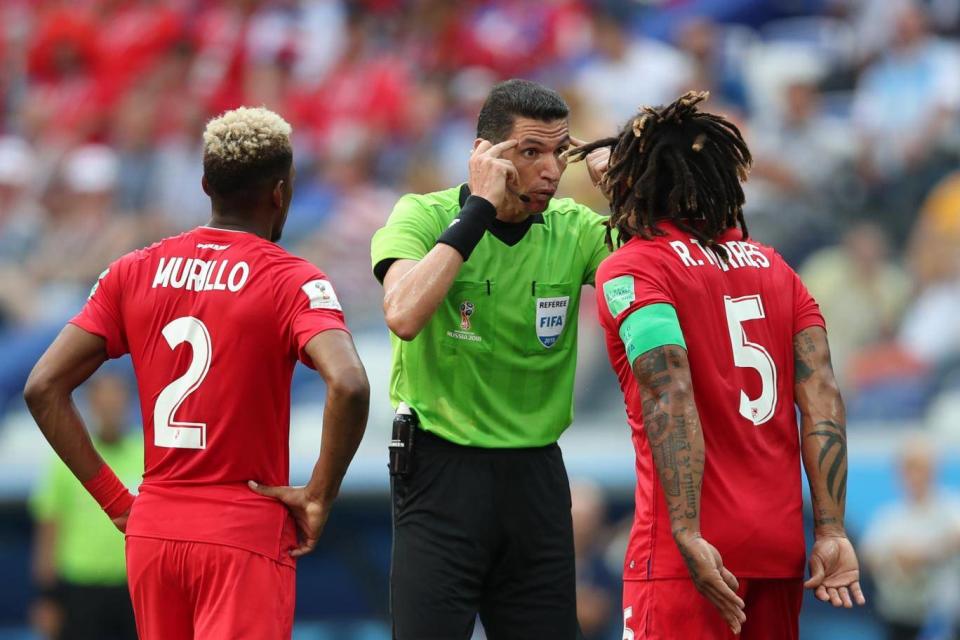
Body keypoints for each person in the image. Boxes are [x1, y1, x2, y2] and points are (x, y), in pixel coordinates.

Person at [23, 106, 370, 640]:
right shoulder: (290, 279)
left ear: (206, 184)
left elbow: (43, 387)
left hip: (155, 532)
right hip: (242, 530)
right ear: (280, 193)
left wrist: (118, 503)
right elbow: (348, 383)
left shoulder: (132, 269)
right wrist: (320, 493)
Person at [572, 91, 866, 639]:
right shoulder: (778, 269)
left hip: (689, 552)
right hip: (778, 548)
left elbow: (670, 394)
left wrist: (686, 533)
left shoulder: (632, 270)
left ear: (639, 182)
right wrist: (830, 530)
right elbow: (823, 396)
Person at [369, 78, 609, 639]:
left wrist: (634, 197)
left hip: (536, 478)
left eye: (560, 151)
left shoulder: (574, 230)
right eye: (531, 152)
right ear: (486, 156)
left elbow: (665, 267)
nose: (551, 169)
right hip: (439, 473)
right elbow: (402, 312)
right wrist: (478, 208)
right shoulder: (424, 215)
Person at [29, 371, 142, 640]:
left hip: (132, 588)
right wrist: (48, 597)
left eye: (116, 398)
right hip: (81, 588)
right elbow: (49, 531)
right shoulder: (69, 459)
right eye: (103, 399)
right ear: (91, 403)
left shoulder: (146, 454)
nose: (110, 407)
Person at [863, 436, 960, 640]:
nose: (915, 475)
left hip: (944, 620)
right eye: (909, 468)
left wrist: (922, 555)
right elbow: (869, 556)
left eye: (921, 467)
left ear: (934, 470)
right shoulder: (888, 518)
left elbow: (955, 536)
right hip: (900, 621)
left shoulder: (950, 508)